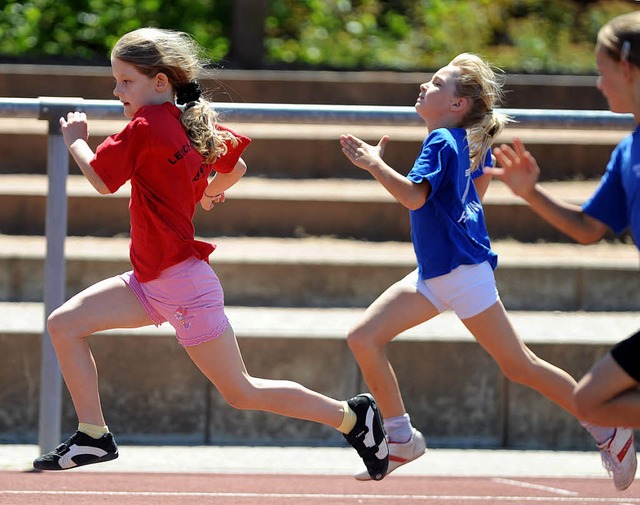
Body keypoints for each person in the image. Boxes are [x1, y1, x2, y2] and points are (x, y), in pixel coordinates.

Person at [33, 27, 389, 481]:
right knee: (64, 324)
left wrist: (77, 140)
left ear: (160, 82)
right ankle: (93, 435)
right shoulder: (189, 119)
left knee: (242, 391)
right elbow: (235, 165)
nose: (116, 89)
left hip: (180, 284)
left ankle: (354, 419)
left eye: (126, 81)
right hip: (151, 280)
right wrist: (204, 191)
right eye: (116, 80)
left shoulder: (145, 126)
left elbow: (102, 180)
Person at [339, 52, 636, 490]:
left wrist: (374, 163)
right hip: (438, 273)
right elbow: (475, 189)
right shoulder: (462, 141)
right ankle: (401, 439)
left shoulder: (443, 141)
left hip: (460, 274)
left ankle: (609, 430)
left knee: (521, 365)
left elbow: (415, 198)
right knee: (363, 338)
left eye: (438, 82)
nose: (425, 85)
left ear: (458, 105)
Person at [492, 11, 640, 489]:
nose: (598, 85)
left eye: (601, 71)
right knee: (589, 401)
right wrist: (529, 193)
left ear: (629, 69)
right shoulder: (627, 153)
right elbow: (588, 227)